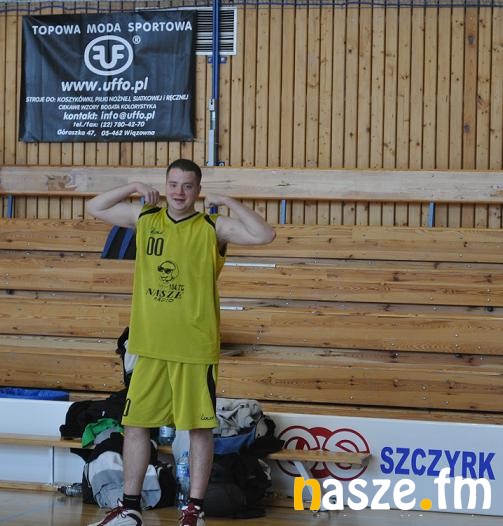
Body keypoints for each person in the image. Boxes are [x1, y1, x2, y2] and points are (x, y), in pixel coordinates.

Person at [86, 159, 276, 526]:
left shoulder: (212, 227)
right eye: (173, 184)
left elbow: (264, 234)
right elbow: (95, 206)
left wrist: (230, 202)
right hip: (148, 346)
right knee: (136, 425)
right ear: (165, 185)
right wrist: (133, 187)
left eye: (187, 186)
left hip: (193, 348)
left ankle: (194, 510)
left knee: (198, 428)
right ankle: (130, 507)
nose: (179, 192)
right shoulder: (146, 218)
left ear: (197, 190)